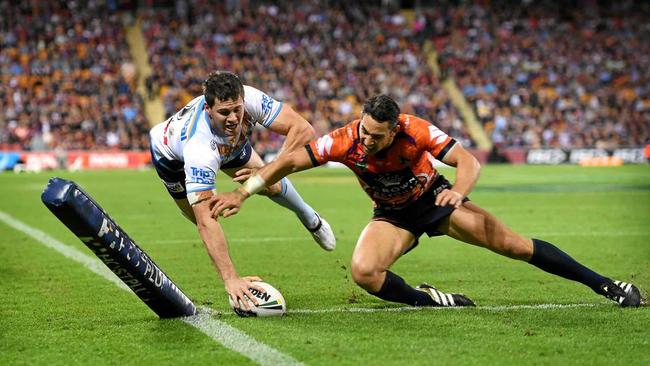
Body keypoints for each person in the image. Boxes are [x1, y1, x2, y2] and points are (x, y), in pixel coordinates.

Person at [210, 94, 642, 308]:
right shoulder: (345, 140)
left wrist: (460, 191)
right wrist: (242, 192)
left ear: (395, 130)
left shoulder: (416, 130)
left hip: (436, 201)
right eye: (363, 131)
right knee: (364, 272)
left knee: (514, 246)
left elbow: (467, 160)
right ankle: (431, 300)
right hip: (393, 216)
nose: (366, 141)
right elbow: (288, 162)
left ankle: (606, 285)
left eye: (376, 136)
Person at [148, 71, 336, 310]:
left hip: (231, 145)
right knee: (202, 216)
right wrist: (231, 279)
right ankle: (228, 274)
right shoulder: (199, 148)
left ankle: (309, 217)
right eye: (224, 112)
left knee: (270, 182)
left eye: (237, 109)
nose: (234, 118)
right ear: (208, 109)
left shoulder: (250, 99)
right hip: (171, 158)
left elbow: (303, 130)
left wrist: (266, 171)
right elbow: (206, 220)